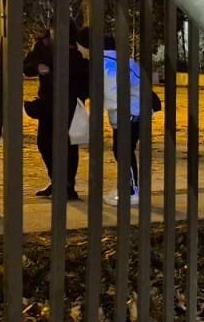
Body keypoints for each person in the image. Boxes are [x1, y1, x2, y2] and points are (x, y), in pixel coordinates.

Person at [23, 25, 92, 200]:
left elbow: (86, 78)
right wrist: (37, 67)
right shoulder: (43, 46)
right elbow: (27, 66)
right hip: (47, 103)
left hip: (70, 103)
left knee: (68, 145)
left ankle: (68, 185)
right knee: (44, 143)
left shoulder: (76, 50)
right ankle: (57, 181)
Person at [101, 34, 149, 205]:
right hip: (135, 112)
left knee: (123, 151)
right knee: (122, 151)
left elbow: (112, 94)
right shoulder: (123, 61)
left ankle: (131, 190)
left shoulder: (107, 63)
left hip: (128, 114)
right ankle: (129, 187)